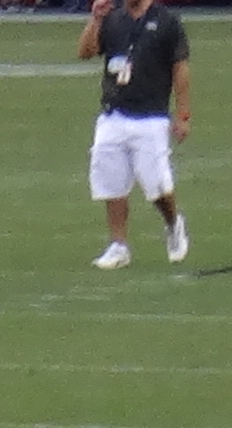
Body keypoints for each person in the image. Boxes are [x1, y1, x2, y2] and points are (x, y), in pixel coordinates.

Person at [77, 0, 185, 273]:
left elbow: (180, 67)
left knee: (157, 185)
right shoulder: (113, 19)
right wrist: (95, 20)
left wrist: (183, 113)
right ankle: (118, 244)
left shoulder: (166, 20)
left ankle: (173, 223)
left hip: (150, 114)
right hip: (114, 112)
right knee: (111, 182)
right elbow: (85, 52)